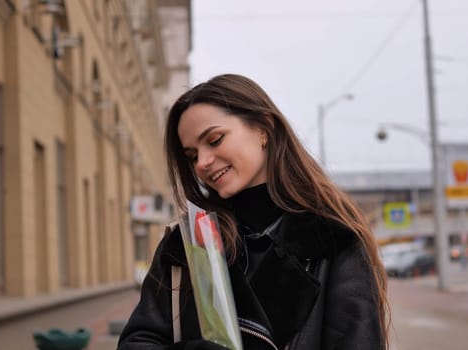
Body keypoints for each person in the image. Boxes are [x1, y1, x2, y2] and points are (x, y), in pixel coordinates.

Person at [118, 74, 390, 350]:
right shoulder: (188, 244)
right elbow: (137, 342)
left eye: (214, 140)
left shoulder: (332, 236)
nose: (202, 163)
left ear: (263, 128)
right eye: (191, 156)